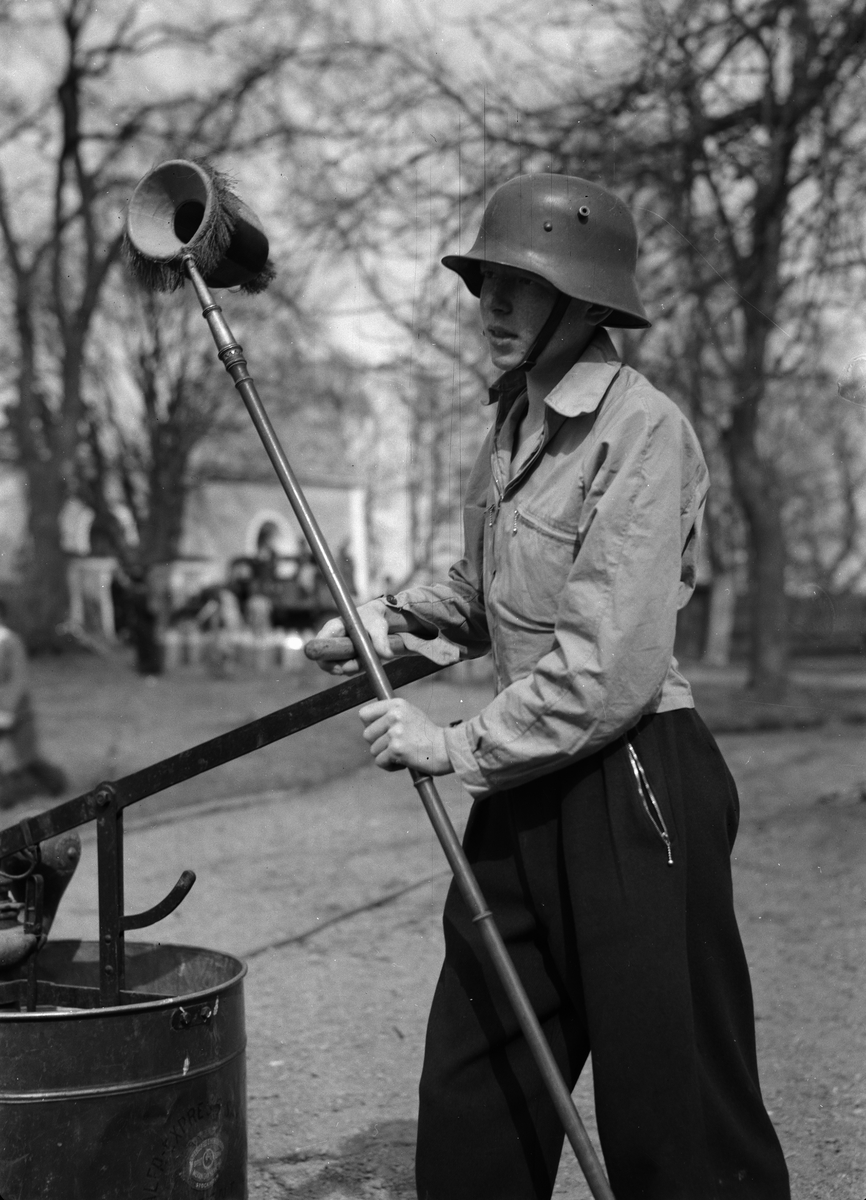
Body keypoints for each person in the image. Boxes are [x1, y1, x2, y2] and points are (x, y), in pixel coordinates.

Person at [314, 174, 790, 1200]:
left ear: (583, 301)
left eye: (520, 284)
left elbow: (608, 665)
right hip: (528, 778)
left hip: (632, 783)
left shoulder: (641, 429)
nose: (490, 302)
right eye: (484, 280)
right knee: (478, 1078)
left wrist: (450, 745)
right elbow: (487, 587)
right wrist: (385, 620)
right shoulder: (511, 424)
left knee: (672, 1105)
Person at [0, 599, 67, 809]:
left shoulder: (10, 642)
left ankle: (56, 782)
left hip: (17, 711)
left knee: (28, 759)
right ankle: (5, 798)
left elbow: (18, 679)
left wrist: (7, 709)